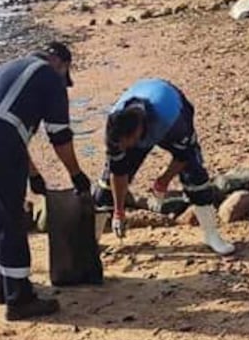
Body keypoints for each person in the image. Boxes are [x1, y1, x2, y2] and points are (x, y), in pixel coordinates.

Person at [0, 42, 90, 320]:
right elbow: (60, 136)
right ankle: (20, 299)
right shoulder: (49, 76)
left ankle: (1, 287)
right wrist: (76, 174)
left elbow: (7, 124)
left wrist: (34, 175)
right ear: (60, 63)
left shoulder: (8, 67)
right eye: (64, 77)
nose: (62, 83)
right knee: (9, 219)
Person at [94, 79, 234, 256]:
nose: (122, 147)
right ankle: (91, 242)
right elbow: (118, 171)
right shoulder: (115, 126)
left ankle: (211, 235)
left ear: (136, 132)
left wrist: (164, 180)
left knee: (195, 176)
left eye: (125, 143)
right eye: (118, 143)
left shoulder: (173, 121)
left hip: (172, 107)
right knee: (105, 187)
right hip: (142, 103)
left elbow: (183, 155)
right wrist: (119, 212)